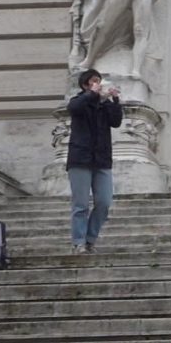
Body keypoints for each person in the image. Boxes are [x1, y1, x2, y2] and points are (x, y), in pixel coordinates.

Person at [66, 69, 123, 254]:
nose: (98, 84)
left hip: (102, 160)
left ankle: (90, 239)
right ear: (85, 85)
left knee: (104, 202)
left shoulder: (103, 105)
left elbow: (116, 121)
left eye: (99, 81)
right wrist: (92, 94)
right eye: (93, 81)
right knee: (81, 204)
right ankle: (79, 242)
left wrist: (114, 100)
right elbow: (74, 109)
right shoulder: (79, 102)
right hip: (80, 159)